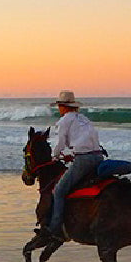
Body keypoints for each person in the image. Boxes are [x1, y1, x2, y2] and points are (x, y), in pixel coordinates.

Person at [44, 90, 104, 240]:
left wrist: (55, 156)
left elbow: (59, 144)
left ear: (63, 107)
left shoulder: (64, 121)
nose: (59, 109)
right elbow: (86, 141)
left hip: (84, 160)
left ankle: (54, 228)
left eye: (59, 106)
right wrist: (73, 153)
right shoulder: (83, 119)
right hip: (98, 157)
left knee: (59, 191)